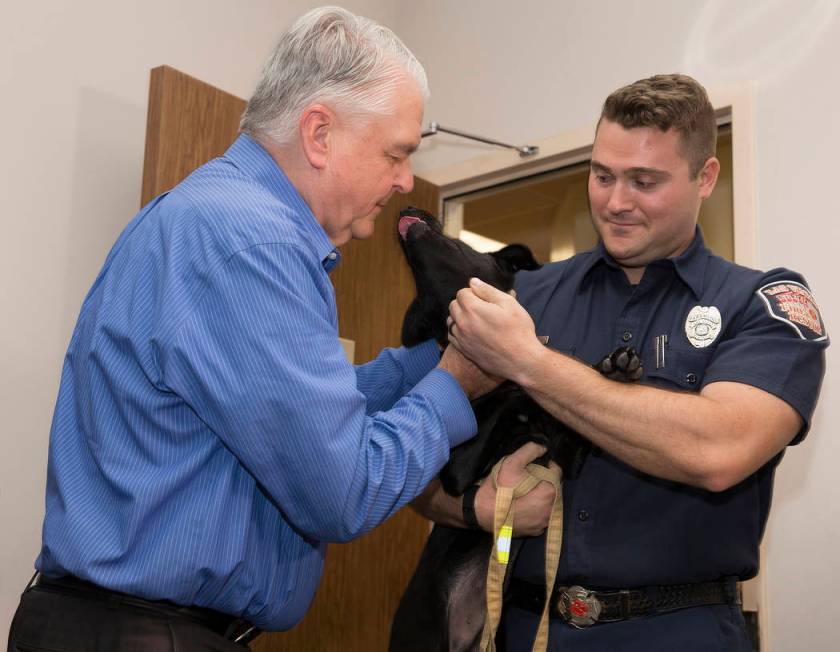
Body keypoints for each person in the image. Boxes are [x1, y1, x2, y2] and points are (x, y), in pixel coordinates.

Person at [6, 7, 505, 651]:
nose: (406, 180)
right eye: (397, 153)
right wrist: (455, 384)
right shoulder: (249, 240)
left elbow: (290, 412)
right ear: (319, 133)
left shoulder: (214, 216)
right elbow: (344, 490)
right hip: (144, 634)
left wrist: (434, 358)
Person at [416, 74, 828, 651]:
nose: (615, 202)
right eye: (602, 175)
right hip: (525, 629)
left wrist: (531, 362)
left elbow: (718, 449)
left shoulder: (761, 306)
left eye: (644, 181)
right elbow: (410, 453)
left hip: (680, 631)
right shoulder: (525, 298)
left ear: (704, 178)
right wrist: (476, 507)